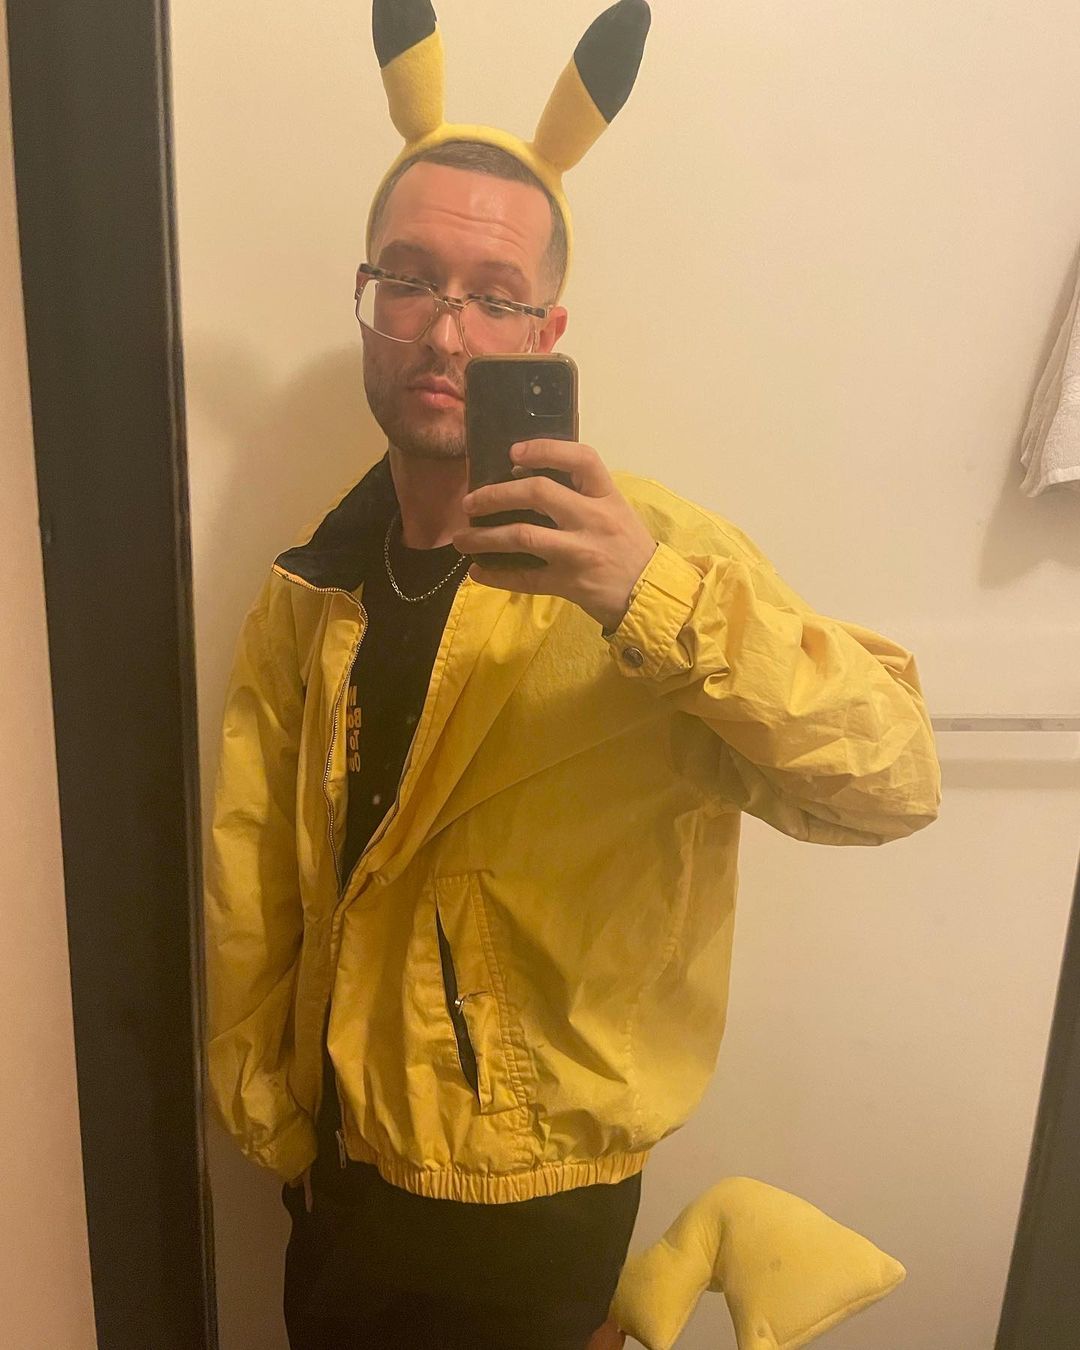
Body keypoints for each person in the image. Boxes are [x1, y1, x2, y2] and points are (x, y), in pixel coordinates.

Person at [205, 4, 941, 1348]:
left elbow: (892, 777)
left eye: (494, 296)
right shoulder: (312, 584)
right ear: (366, 302)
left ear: (547, 332)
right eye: (411, 281)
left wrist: (645, 592)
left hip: (538, 1203)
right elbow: (257, 872)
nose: (446, 332)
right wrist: (273, 1119)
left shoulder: (653, 554)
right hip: (337, 1173)